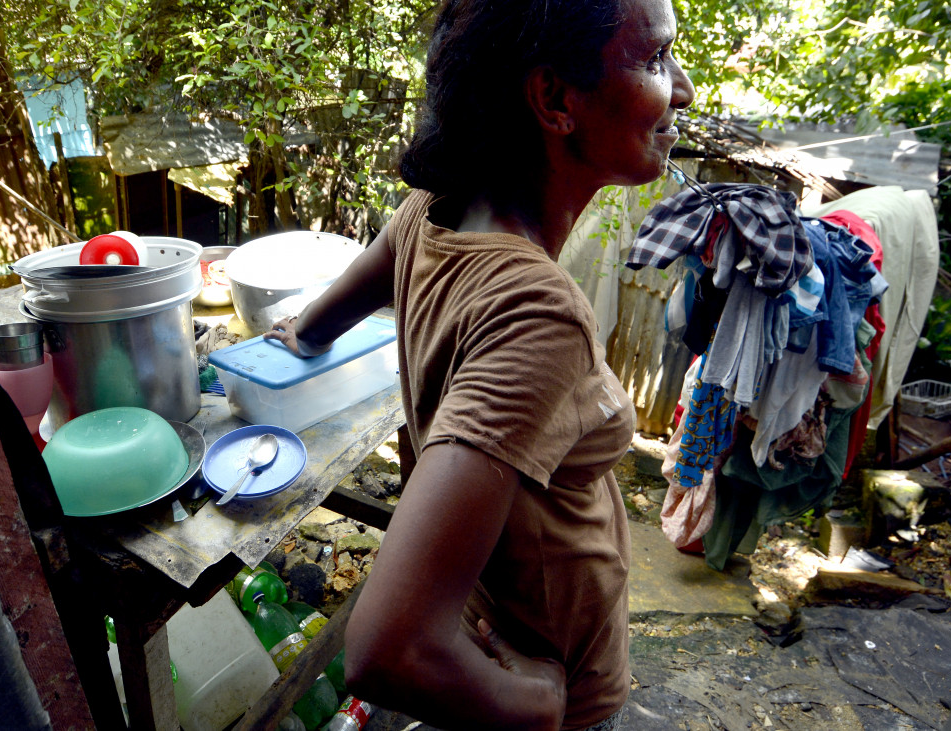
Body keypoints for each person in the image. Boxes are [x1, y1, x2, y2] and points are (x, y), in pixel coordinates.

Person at [262, 0, 695, 727]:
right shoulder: (538, 312)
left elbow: (327, 315)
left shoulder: (431, 212)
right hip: (545, 682)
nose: (681, 88)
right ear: (554, 98)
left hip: (489, 623)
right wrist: (542, 705)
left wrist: (302, 335)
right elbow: (389, 649)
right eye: (655, 58)